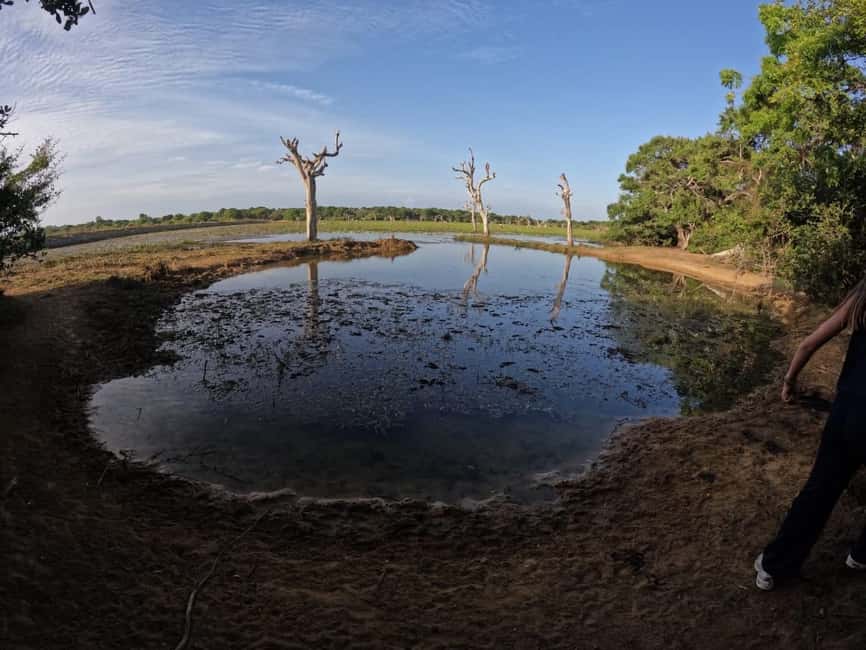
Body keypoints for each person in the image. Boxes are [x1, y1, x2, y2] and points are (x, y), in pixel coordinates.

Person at [755, 279, 866, 590]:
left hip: (849, 414)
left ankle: (774, 567)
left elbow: (808, 344)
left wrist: (789, 381)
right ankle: (860, 556)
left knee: (819, 491)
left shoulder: (862, 298)